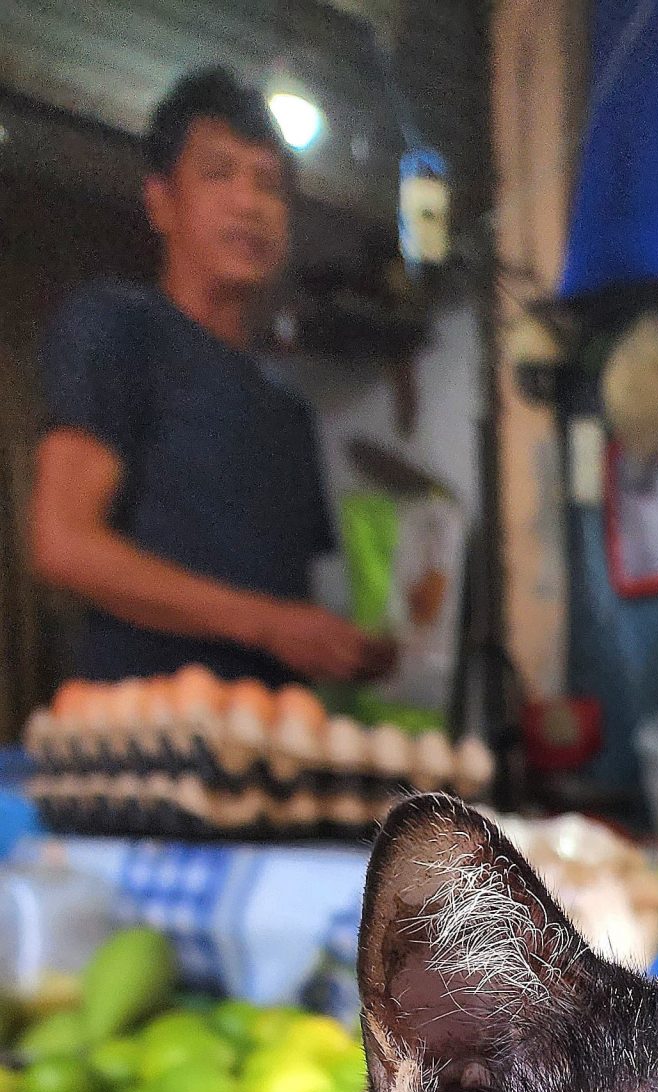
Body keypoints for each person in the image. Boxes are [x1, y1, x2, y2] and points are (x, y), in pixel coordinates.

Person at [29, 67, 393, 688]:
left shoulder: (290, 414)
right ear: (161, 202)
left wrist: (340, 648)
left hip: (268, 757)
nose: (249, 204)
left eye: (269, 184)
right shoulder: (118, 327)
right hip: (140, 753)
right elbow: (62, 542)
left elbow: (286, 607)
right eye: (219, 173)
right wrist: (270, 624)